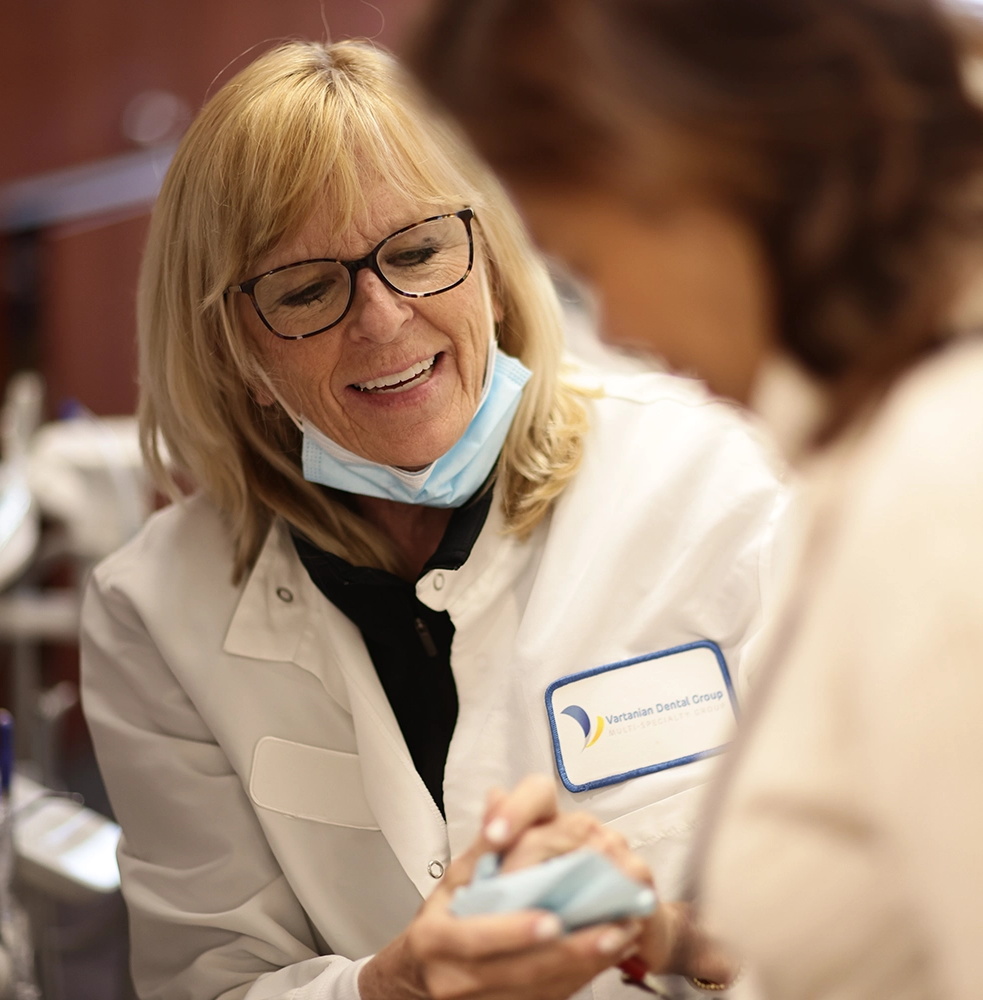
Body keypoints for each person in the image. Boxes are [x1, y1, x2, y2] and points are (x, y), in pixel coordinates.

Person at [80, 39, 785, 1000]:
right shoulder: (155, 613)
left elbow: (890, 916)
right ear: (233, 351)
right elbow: (210, 983)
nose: (381, 318)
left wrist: (664, 936)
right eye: (307, 289)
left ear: (490, 263)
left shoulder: (722, 485)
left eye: (416, 252)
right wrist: (392, 985)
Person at [410, 0, 983, 997]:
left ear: (692, 159)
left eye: (584, 262)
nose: (618, 325)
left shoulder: (941, 480)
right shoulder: (866, 453)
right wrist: (657, 931)